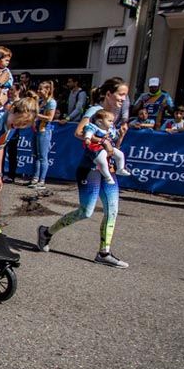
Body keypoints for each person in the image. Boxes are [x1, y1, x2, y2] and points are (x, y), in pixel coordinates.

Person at [36, 79, 133, 269]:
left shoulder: (115, 116)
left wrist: (120, 136)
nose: (124, 98)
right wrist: (101, 140)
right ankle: (47, 232)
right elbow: (79, 132)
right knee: (86, 212)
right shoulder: (94, 111)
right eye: (121, 94)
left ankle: (104, 252)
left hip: (108, 168)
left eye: (125, 95)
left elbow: (112, 148)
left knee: (112, 210)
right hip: (90, 169)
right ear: (108, 94)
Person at [84, 109, 132, 183]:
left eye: (112, 121)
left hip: (107, 147)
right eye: (109, 121)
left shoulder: (110, 130)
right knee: (102, 159)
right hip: (95, 147)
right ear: (99, 122)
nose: (112, 123)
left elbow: (114, 140)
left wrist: (121, 134)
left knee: (120, 154)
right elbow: (89, 133)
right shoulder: (94, 127)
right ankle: (107, 177)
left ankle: (120, 169)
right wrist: (87, 138)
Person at [29, 80, 57, 189]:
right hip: (36, 130)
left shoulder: (51, 102)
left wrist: (36, 114)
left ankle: (42, 180)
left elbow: (50, 118)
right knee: (35, 155)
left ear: (48, 90)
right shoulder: (41, 101)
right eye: (39, 89)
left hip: (44, 130)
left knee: (43, 156)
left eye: (41, 89)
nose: (39, 91)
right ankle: (35, 178)